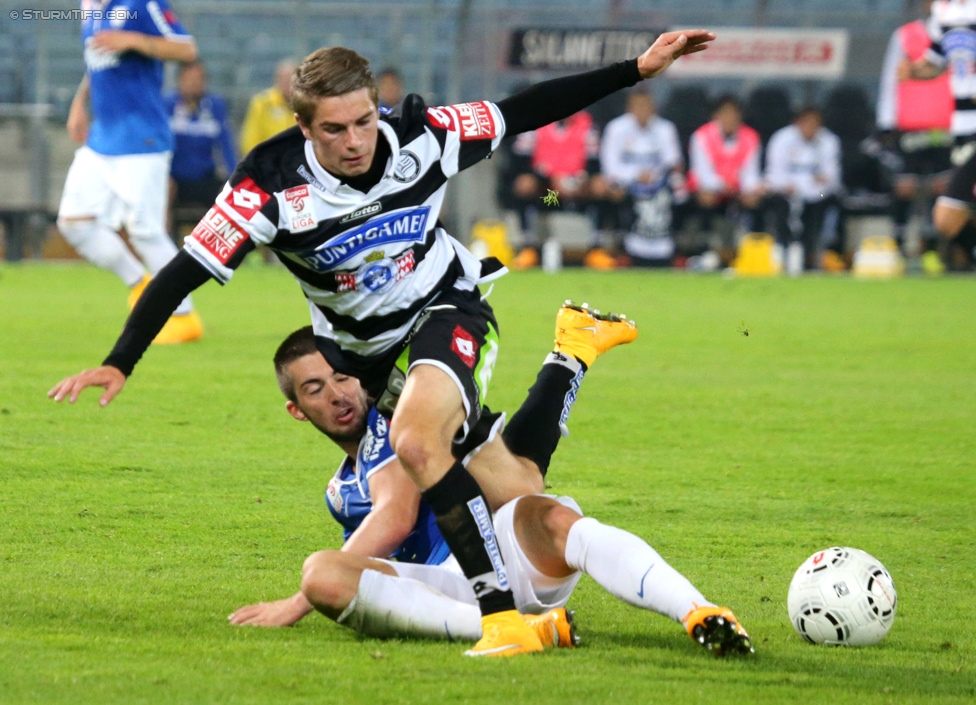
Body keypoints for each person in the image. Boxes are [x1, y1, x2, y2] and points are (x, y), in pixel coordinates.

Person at [49, 30, 716, 658]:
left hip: (450, 308)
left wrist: (636, 68)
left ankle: (503, 620)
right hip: (367, 360)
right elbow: (184, 270)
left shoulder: (424, 134)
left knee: (417, 444)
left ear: (378, 107)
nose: (355, 141)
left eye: (364, 120)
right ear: (304, 126)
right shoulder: (265, 186)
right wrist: (120, 360)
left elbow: (525, 110)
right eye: (334, 129)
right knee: (514, 481)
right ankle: (571, 353)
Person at [228, 314, 754, 657]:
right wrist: (320, 585)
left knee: (542, 509)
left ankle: (698, 610)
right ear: (297, 410)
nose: (337, 395)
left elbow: (396, 514)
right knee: (323, 571)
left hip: (496, 558)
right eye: (315, 389)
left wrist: (294, 604)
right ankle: (515, 626)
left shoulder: (393, 424)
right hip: (435, 587)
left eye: (341, 377)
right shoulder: (339, 489)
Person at [56, 0, 203, 344]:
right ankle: (141, 284)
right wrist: (80, 102)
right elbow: (97, 60)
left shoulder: (141, 4)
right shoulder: (89, 7)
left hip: (142, 138)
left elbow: (187, 48)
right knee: (74, 222)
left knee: (145, 230)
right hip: (102, 138)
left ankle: (184, 317)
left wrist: (136, 41)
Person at [902, 0, 976, 269]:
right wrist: (913, 70)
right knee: (947, 219)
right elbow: (935, 62)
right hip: (963, 126)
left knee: (947, 215)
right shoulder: (944, 12)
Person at [507, 110, 621, 270]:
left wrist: (578, 180)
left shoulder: (587, 125)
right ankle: (528, 248)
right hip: (549, 195)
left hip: (578, 193)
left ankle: (596, 249)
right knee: (524, 184)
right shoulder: (535, 123)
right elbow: (520, 161)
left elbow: (595, 162)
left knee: (600, 186)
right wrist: (549, 178)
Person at [599, 90, 685, 266]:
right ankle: (622, 249)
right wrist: (636, 176)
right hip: (627, 184)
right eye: (638, 107)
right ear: (629, 109)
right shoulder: (616, 128)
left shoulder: (665, 128)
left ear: (654, 108)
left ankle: (674, 249)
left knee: (680, 190)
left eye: (647, 106)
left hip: (659, 183)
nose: (643, 111)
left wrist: (654, 177)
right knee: (611, 189)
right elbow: (610, 167)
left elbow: (674, 163)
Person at [762, 107, 843, 272]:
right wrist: (792, 185)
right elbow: (774, 174)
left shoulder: (829, 141)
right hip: (787, 192)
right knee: (780, 204)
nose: (811, 128)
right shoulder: (782, 139)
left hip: (819, 194)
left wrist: (817, 184)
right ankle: (783, 251)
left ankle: (815, 255)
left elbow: (832, 177)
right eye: (806, 123)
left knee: (825, 202)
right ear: (797, 123)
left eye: (815, 124)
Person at [687, 95, 763, 261]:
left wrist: (747, 189)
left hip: (737, 191)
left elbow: (751, 173)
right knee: (706, 198)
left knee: (755, 200)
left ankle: (750, 253)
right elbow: (701, 173)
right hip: (710, 190)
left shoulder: (751, 137)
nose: (730, 119)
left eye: (734, 114)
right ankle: (699, 251)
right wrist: (723, 184)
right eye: (725, 114)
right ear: (716, 116)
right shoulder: (701, 136)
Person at [166, 61, 238, 220]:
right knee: (163, 191)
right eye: (190, 79)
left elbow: (226, 146)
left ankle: (216, 243)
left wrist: (234, 178)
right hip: (175, 178)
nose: (195, 84)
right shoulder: (167, 106)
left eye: (199, 79)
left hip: (205, 177)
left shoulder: (215, 106)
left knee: (228, 193)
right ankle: (165, 241)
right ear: (180, 80)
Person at [239, 59, 298, 155]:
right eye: (284, 78)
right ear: (277, 79)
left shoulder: (305, 104)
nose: (287, 83)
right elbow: (250, 138)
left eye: (291, 78)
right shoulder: (262, 103)